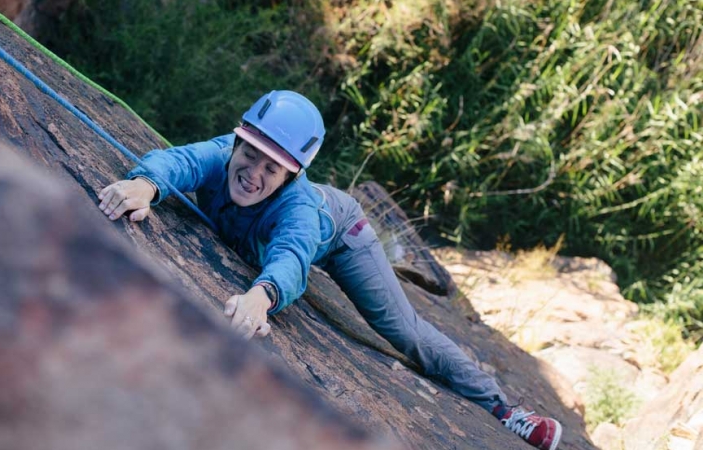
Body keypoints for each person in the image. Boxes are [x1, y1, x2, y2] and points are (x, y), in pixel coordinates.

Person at [97, 90, 563, 450]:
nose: (253, 172)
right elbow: (178, 161)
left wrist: (261, 297)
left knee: (404, 330)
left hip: (342, 236)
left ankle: (505, 409)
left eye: (272, 168)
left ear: (292, 176)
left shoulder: (300, 209)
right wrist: (144, 185)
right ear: (237, 140)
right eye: (250, 154)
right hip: (277, 232)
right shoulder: (225, 154)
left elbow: (294, 258)